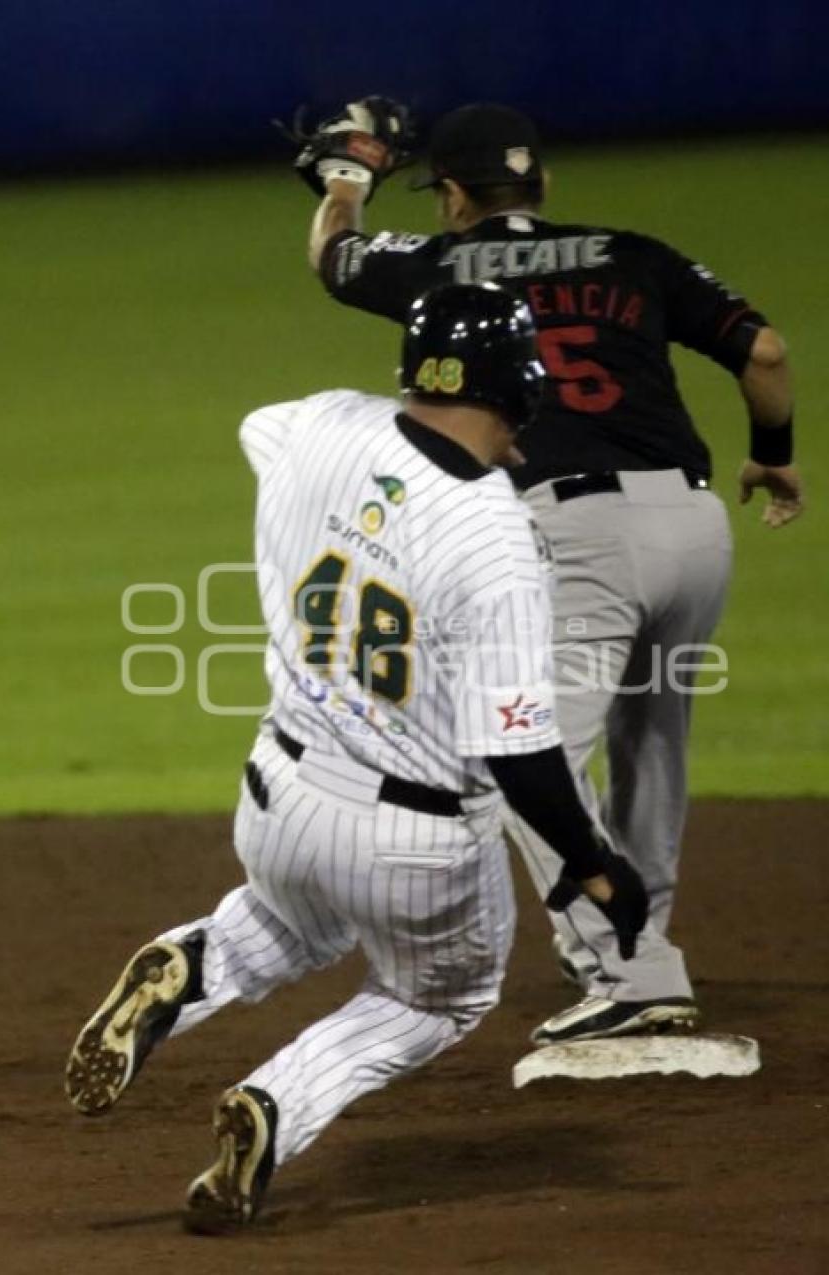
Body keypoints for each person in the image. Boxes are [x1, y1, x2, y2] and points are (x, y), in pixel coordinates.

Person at [65, 283, 648, 1234]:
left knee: (296, 914)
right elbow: (522, 755)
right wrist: (595, 865)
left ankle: (192, 962)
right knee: (441, 999)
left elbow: (266, 431)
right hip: (413, 839)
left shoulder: (321, 423)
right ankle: (278, 1102)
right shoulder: (498, 537)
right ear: (514, 386)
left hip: (278, 791)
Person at [296, 99, 804, 1044]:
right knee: (653, 747)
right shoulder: (634, 253)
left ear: (451, 196)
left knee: (524, 756)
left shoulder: (437, 262)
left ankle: (629, 971)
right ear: (544, 183)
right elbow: (764, 350)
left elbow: (333, 254)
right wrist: (773, 450)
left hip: (572, 540)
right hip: (692, 529)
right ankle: (641, 947)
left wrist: (347, 179)